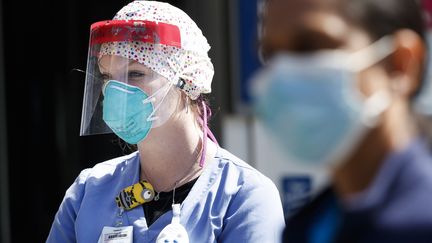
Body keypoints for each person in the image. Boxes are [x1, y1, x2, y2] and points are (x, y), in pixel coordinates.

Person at [47, 1, 285, 242]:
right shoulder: (89, 191)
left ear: (187, 82)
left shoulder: (244, 196)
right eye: (108, 77)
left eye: (136, 74)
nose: (115, 92)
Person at [253, 0, 432, 242]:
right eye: (271, 54)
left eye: (310, 47)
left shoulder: (419, 224)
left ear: (400, 64)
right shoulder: (308, 227)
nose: (285, 73)